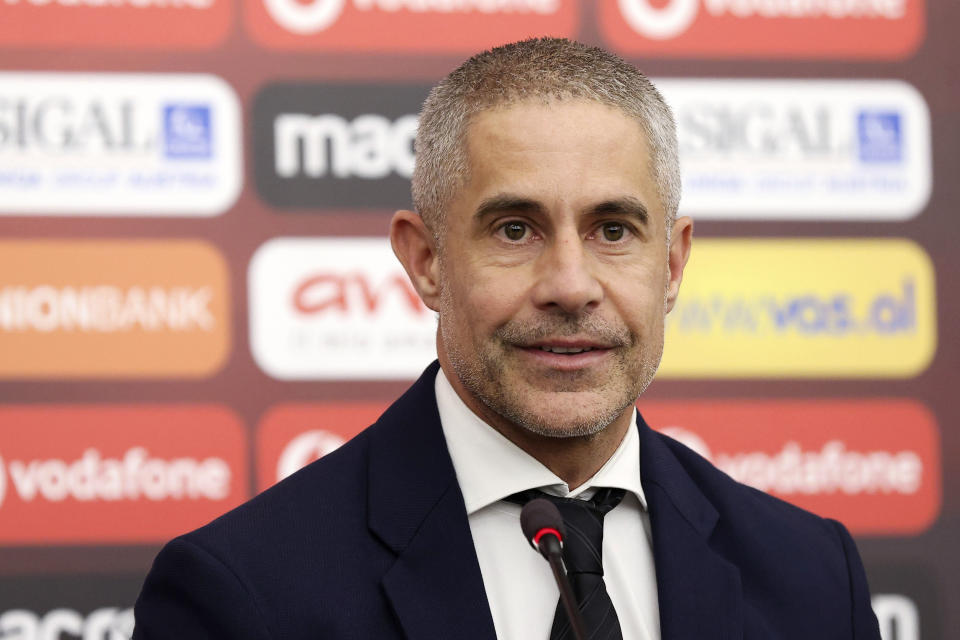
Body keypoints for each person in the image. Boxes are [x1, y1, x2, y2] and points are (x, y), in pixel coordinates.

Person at [133, 38, 881, 640]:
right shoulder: (241, 594)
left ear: (674, 264)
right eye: (515, 229)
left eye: (613, 230)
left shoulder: (815, 577)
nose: (570, 284)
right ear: (426, 261)